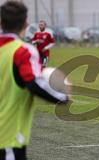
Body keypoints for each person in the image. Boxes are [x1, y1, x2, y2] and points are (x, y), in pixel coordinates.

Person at [0, 1, 68, 160]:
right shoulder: (22, 51)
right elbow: (33, 83)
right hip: (7, 137)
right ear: (26, 23)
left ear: (1, 22)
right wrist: (62, 97)